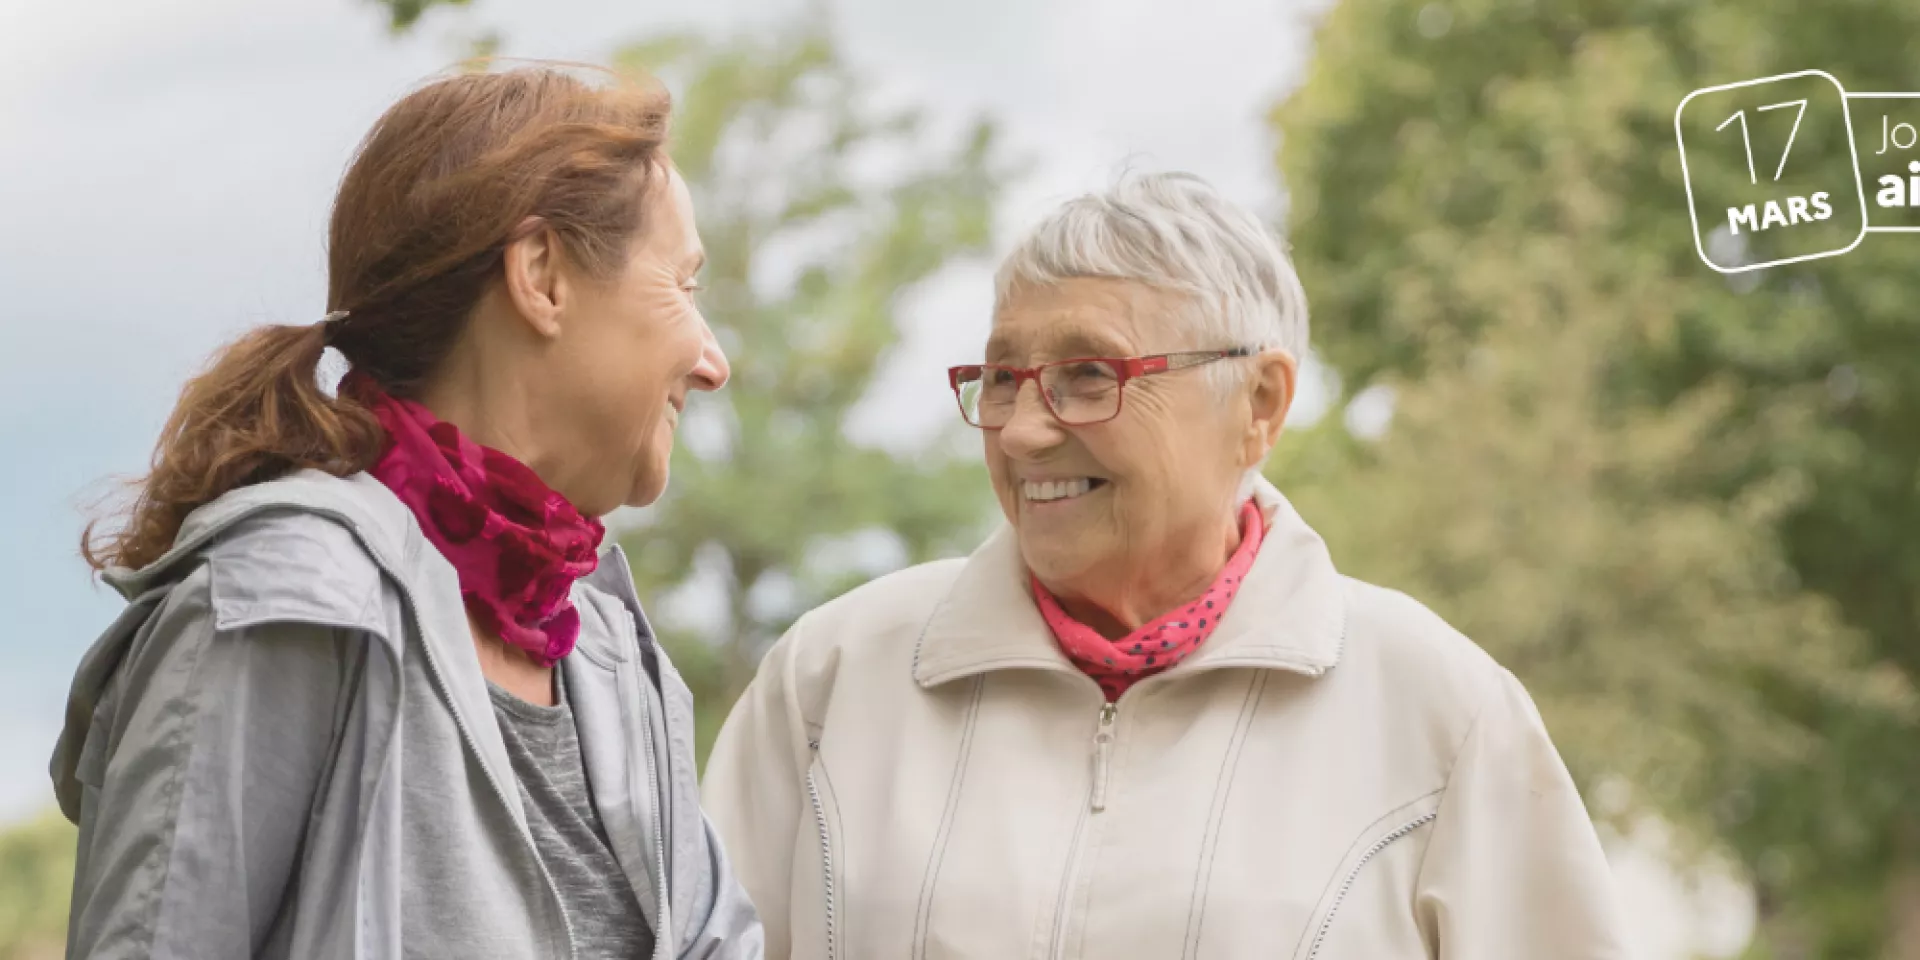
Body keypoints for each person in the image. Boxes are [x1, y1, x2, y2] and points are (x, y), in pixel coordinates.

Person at [701, 171, 1632, 959]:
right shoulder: (834, 679)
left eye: (1089, 377)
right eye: (1002, 379)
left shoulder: (1440, 709)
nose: (1025, 431)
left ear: (1259, 404)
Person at [51, 64, 762, 960]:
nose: (711, 361)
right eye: (685, 286)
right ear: (542, 274)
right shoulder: (286, 600)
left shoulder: (612, 650)